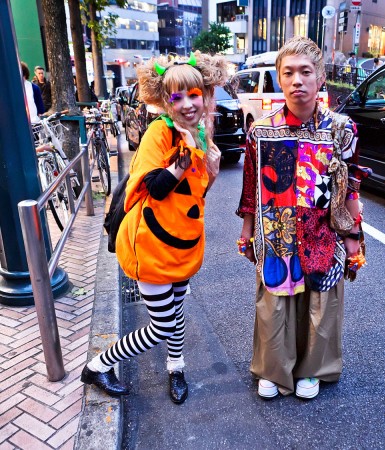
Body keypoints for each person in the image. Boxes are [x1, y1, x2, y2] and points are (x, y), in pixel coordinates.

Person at [80, 51, 228, 404]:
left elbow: (194, 193)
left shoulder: (199, 133)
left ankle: (176, 367)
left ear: (205, 95)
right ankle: (99, 364)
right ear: (166, 100)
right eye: (178, 97)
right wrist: (190, 153)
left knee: (176, 311)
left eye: (194, 95)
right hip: (151, 244)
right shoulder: (158, 134)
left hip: (182, 243)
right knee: (161, 325)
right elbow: (158, 187)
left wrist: (212, 170)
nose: (188, 104)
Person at [237, 36, 368, 400]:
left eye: (306, 72)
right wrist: (247, 233)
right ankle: (274, 369)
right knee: (275, 298)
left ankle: (313, 370)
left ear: (320, 77)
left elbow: (352, 185)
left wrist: (353, 238)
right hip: (274, 225)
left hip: (323, 228)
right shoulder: (261, 129)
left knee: (322, 301)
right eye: (289, 72)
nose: (297, 80)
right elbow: (251, 188)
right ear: (279, 79)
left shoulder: (342, 129)